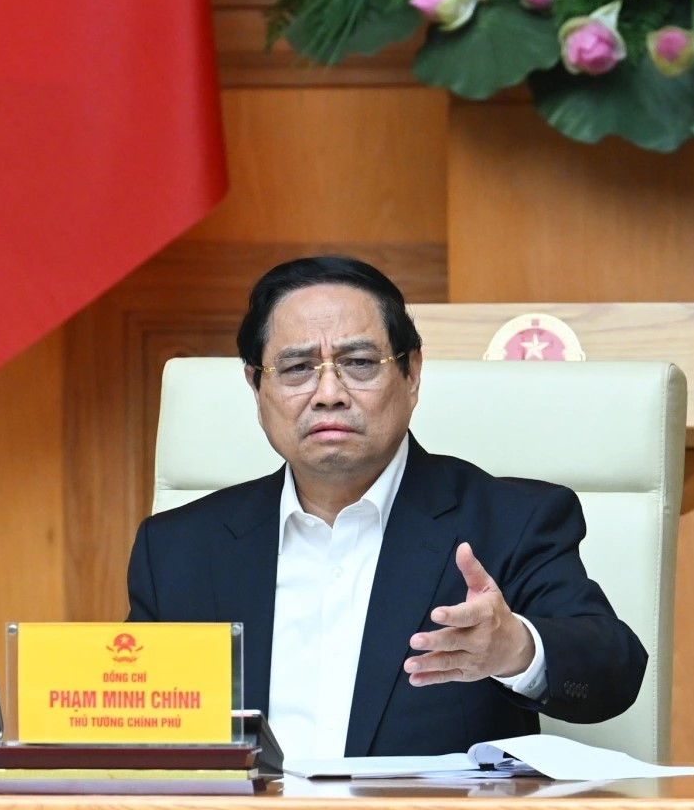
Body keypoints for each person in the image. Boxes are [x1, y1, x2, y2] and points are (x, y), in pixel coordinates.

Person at [127, 255, 646, 760]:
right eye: (297, 368)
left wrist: (516, 649)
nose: (328, 393)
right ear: (256, 386)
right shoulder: (177, 548)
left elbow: (615, 670)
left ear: (411, 373)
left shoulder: (511, 521)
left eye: (358, 363)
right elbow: (136, 732)